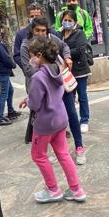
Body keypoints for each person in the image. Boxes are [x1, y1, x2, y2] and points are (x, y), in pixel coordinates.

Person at [22, 37, 86, 203]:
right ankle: (76, 190)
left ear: (39, 55)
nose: (31, 60)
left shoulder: (38, 77)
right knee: (63, 154)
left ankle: (53, 190)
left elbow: (35, 104)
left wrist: (28, 100)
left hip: (45, 124)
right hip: (60, 118)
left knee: (38, 155)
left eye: (32, 55)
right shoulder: (58, 68)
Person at [20, 18, 84, 164]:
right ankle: (57, 151)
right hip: (42, 89)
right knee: (48, 121)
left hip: (60, 83)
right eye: (37, 30)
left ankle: (79, 146)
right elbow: (28, 69)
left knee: (71, 114)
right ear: (32, 30)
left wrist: (67, 57)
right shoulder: (26, 45)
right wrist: (46, 76)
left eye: (43, 30)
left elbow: (65, 46)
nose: (41, 33)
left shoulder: (52, 39)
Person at [58, 9, 93, 132]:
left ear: (75, 22)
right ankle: (70, 120)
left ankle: (84, 120)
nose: (67, 22)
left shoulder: (79, 33)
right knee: (68, 97)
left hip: (80, 70)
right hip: (65, 71)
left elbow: (79, 50)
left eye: (69, 20)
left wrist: (63, 53)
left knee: (82, 95)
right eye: (65, 20)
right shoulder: (59, 35)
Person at [0, 24, 20, 125]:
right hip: (2, 71)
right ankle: (0, 117)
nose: (1, 32)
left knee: (10, 90)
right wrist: (13, 65)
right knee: (4, 94)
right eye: (0, 31)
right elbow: (6, 58)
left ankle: (10, 111)